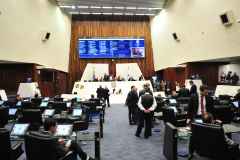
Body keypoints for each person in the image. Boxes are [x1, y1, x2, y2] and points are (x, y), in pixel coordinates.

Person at [187, 85, 222, 159]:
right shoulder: (193, 97)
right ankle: (191, 152)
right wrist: (188, 118)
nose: (207, 93)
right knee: (193, 136)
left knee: (208, 135)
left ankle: (207, 152)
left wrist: (216, 118)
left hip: (206, 118)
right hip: (196, 117)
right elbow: (189, 109)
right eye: (205, 92)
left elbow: (212, 110)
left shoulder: (209, 98)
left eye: (207, 92)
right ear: (200, 91)